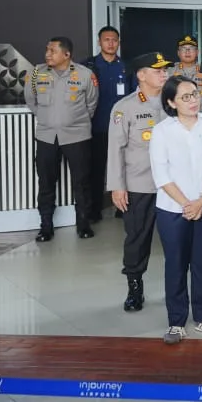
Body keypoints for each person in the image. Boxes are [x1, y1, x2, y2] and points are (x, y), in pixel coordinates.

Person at [149, 76, 202, 344]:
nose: (193, 101)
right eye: (185, 97)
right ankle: (176, 321)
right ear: (171, 102)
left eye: (195, 94)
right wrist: (187, 204)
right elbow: (161, 175)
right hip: (173, 209)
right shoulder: (162, 131)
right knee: (176, 264)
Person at [107, 52, 172, 311]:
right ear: (141, 75)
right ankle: (134, 287)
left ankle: (176, 289)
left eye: (165, 70)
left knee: (176, 241)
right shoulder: (125, 107)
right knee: (137, 239)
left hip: (173, 187)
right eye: (158, 70)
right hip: (139, 184)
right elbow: (115, 149)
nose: (164, 74)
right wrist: (117, 186)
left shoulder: (175, 102)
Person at [24, 36, 99, 242]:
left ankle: (83, 225)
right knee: (46, 182)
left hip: (77, 136)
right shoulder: (36, 73)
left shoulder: (85, 74)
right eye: (47, 50)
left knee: (81, 183)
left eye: (53, 51)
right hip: (46, 136)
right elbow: (31, 100)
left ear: (67, 54)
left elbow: (91, 103)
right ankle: (45, 227)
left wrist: (73, 121)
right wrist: (47, 118)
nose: (47, 54)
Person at [83, 25, 131, 224]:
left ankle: (123, 208)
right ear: (99, 42)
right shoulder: (88, 66)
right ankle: (94, 210)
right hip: (97, 127)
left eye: (114, 40)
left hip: (122, 128)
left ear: (118, 42)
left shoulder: (127, 67)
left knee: (125, 168)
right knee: (95, 170)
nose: (111, 43)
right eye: (106, 40)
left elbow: (135, 96)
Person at [168, 35, 202, 118]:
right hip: (175, 120)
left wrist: (199, 119)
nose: (187, 52)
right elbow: (165, 98)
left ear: (197, 52)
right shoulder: (169, 72)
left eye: (191, 48)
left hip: (201, 119)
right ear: (178, 53)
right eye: (183, 49)